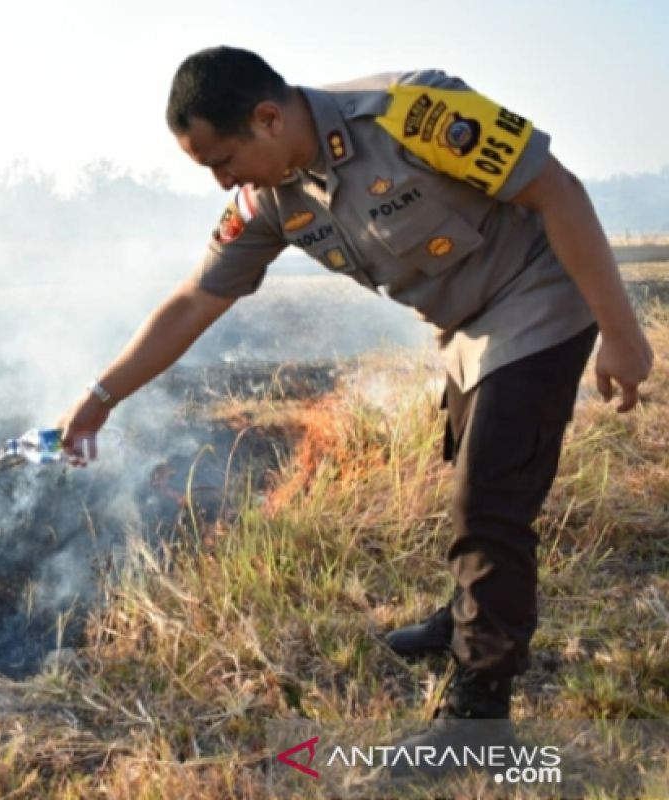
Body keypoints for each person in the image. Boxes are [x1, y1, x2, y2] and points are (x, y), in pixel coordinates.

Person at [56, 46, 654, 776]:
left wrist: (622, 333)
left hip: (541, 294)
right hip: (465, 327)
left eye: (224, 159)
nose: (222, 181)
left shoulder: (414, 113)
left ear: (268, 118)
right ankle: (463, 618)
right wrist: (101, 396)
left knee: (491, 503)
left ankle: (479, 717)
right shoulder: (271, 195)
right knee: (470, 468)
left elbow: (556, 192)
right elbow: (195, 300)